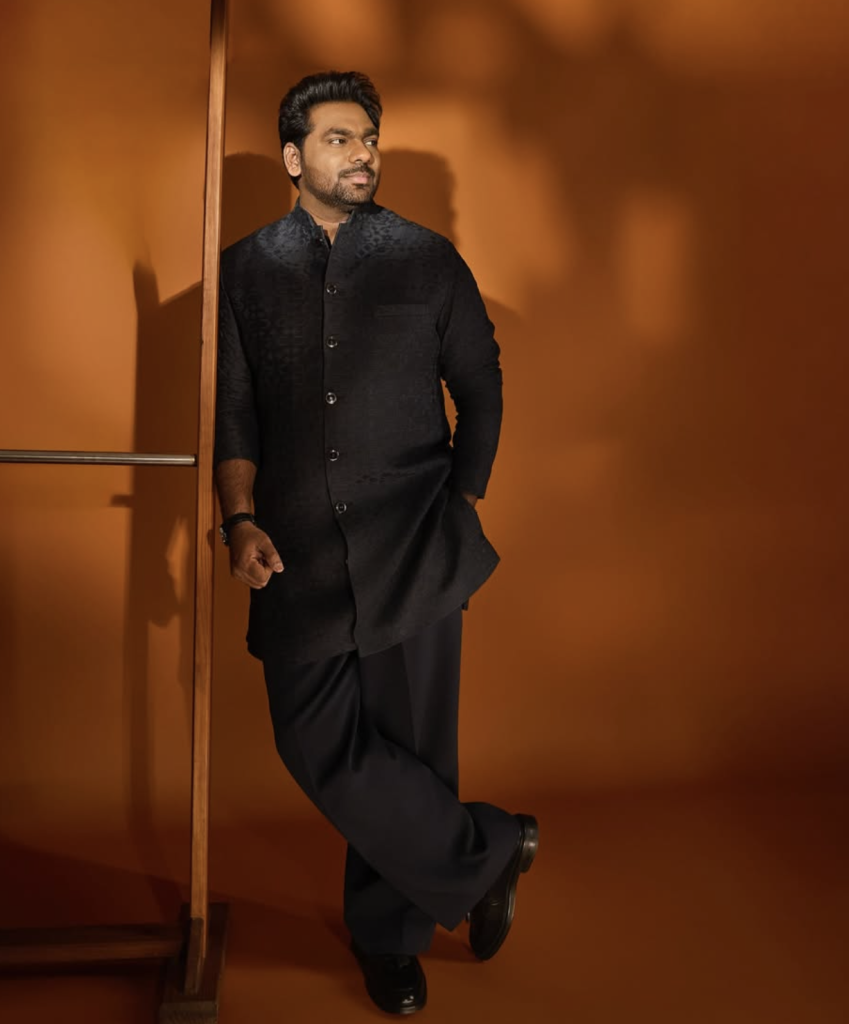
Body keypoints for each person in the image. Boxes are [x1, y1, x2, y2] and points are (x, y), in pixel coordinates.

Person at [214, 70, 537, 1016]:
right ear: (292, 157)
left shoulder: (428, 260)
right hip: (297, 552)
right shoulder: (244, 270)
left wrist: (459, 501)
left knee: (410, 747)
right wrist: (239, 519)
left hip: (415, 545)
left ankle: (389, 941)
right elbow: (233, 411)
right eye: (338, 138)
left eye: (368, 137)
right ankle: (488, 852)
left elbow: (480, 384)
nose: (362, 154)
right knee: (313, 739)